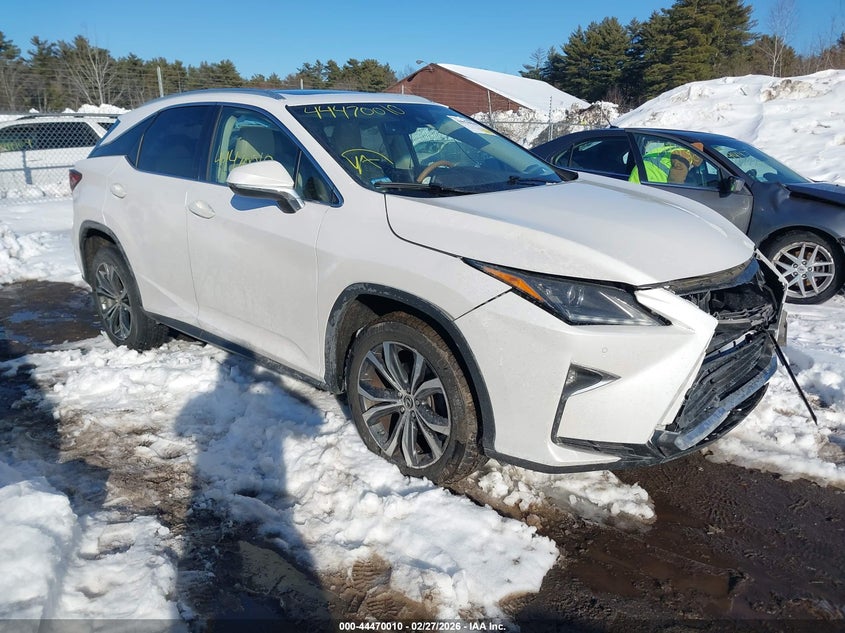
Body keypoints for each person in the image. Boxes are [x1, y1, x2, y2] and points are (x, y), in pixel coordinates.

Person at [630, 141, 704, 184]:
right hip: (650, 180)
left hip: (639, 173)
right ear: (697, 157)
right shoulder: (684, 157)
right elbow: (675, 183)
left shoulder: (673, 149)